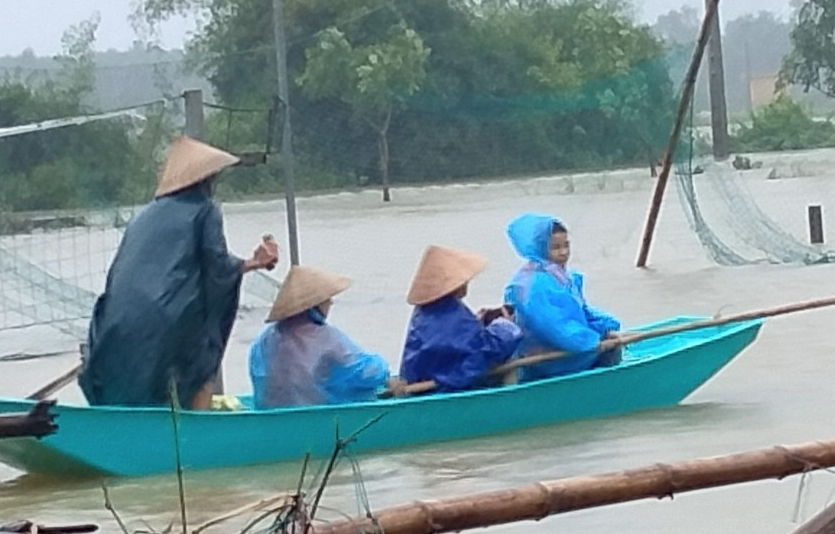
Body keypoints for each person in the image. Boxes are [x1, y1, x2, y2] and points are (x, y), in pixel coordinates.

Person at [79, 136, 279, 410]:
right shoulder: (205, 210)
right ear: (207, 179)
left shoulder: (143, 216)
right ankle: (197, 425)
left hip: (115, 321)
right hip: (168, 316)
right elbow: (218, 268)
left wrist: (248, 263)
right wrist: (252, 264)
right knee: (206, 350)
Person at [249, 265, 390, 409]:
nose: (330, 302)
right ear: (315, 304)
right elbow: (368, 373)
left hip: (272, 414)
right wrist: (385, 373)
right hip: (315, 413)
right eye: (326, 299)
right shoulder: (326, 337)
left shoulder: (264, 339)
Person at [503, 212, 621, 381]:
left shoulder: (563, 277)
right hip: (548, 358)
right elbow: (555, 327)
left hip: (567, 345)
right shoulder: (535, 285)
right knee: (611, 350)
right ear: (541, 248)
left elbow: (583, 311)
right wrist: (593, 342)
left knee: (612, 339)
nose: (564, 252)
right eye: (556, 248)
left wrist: (607, 327)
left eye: (566, 245)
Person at [395, 245, 522, 396]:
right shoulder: (452, 315)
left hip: (424, 385)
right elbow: (485, 352)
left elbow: (462, 341)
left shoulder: (425, 313)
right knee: (507, 361)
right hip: (444, 390)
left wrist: (477, 323)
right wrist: (505, 325)